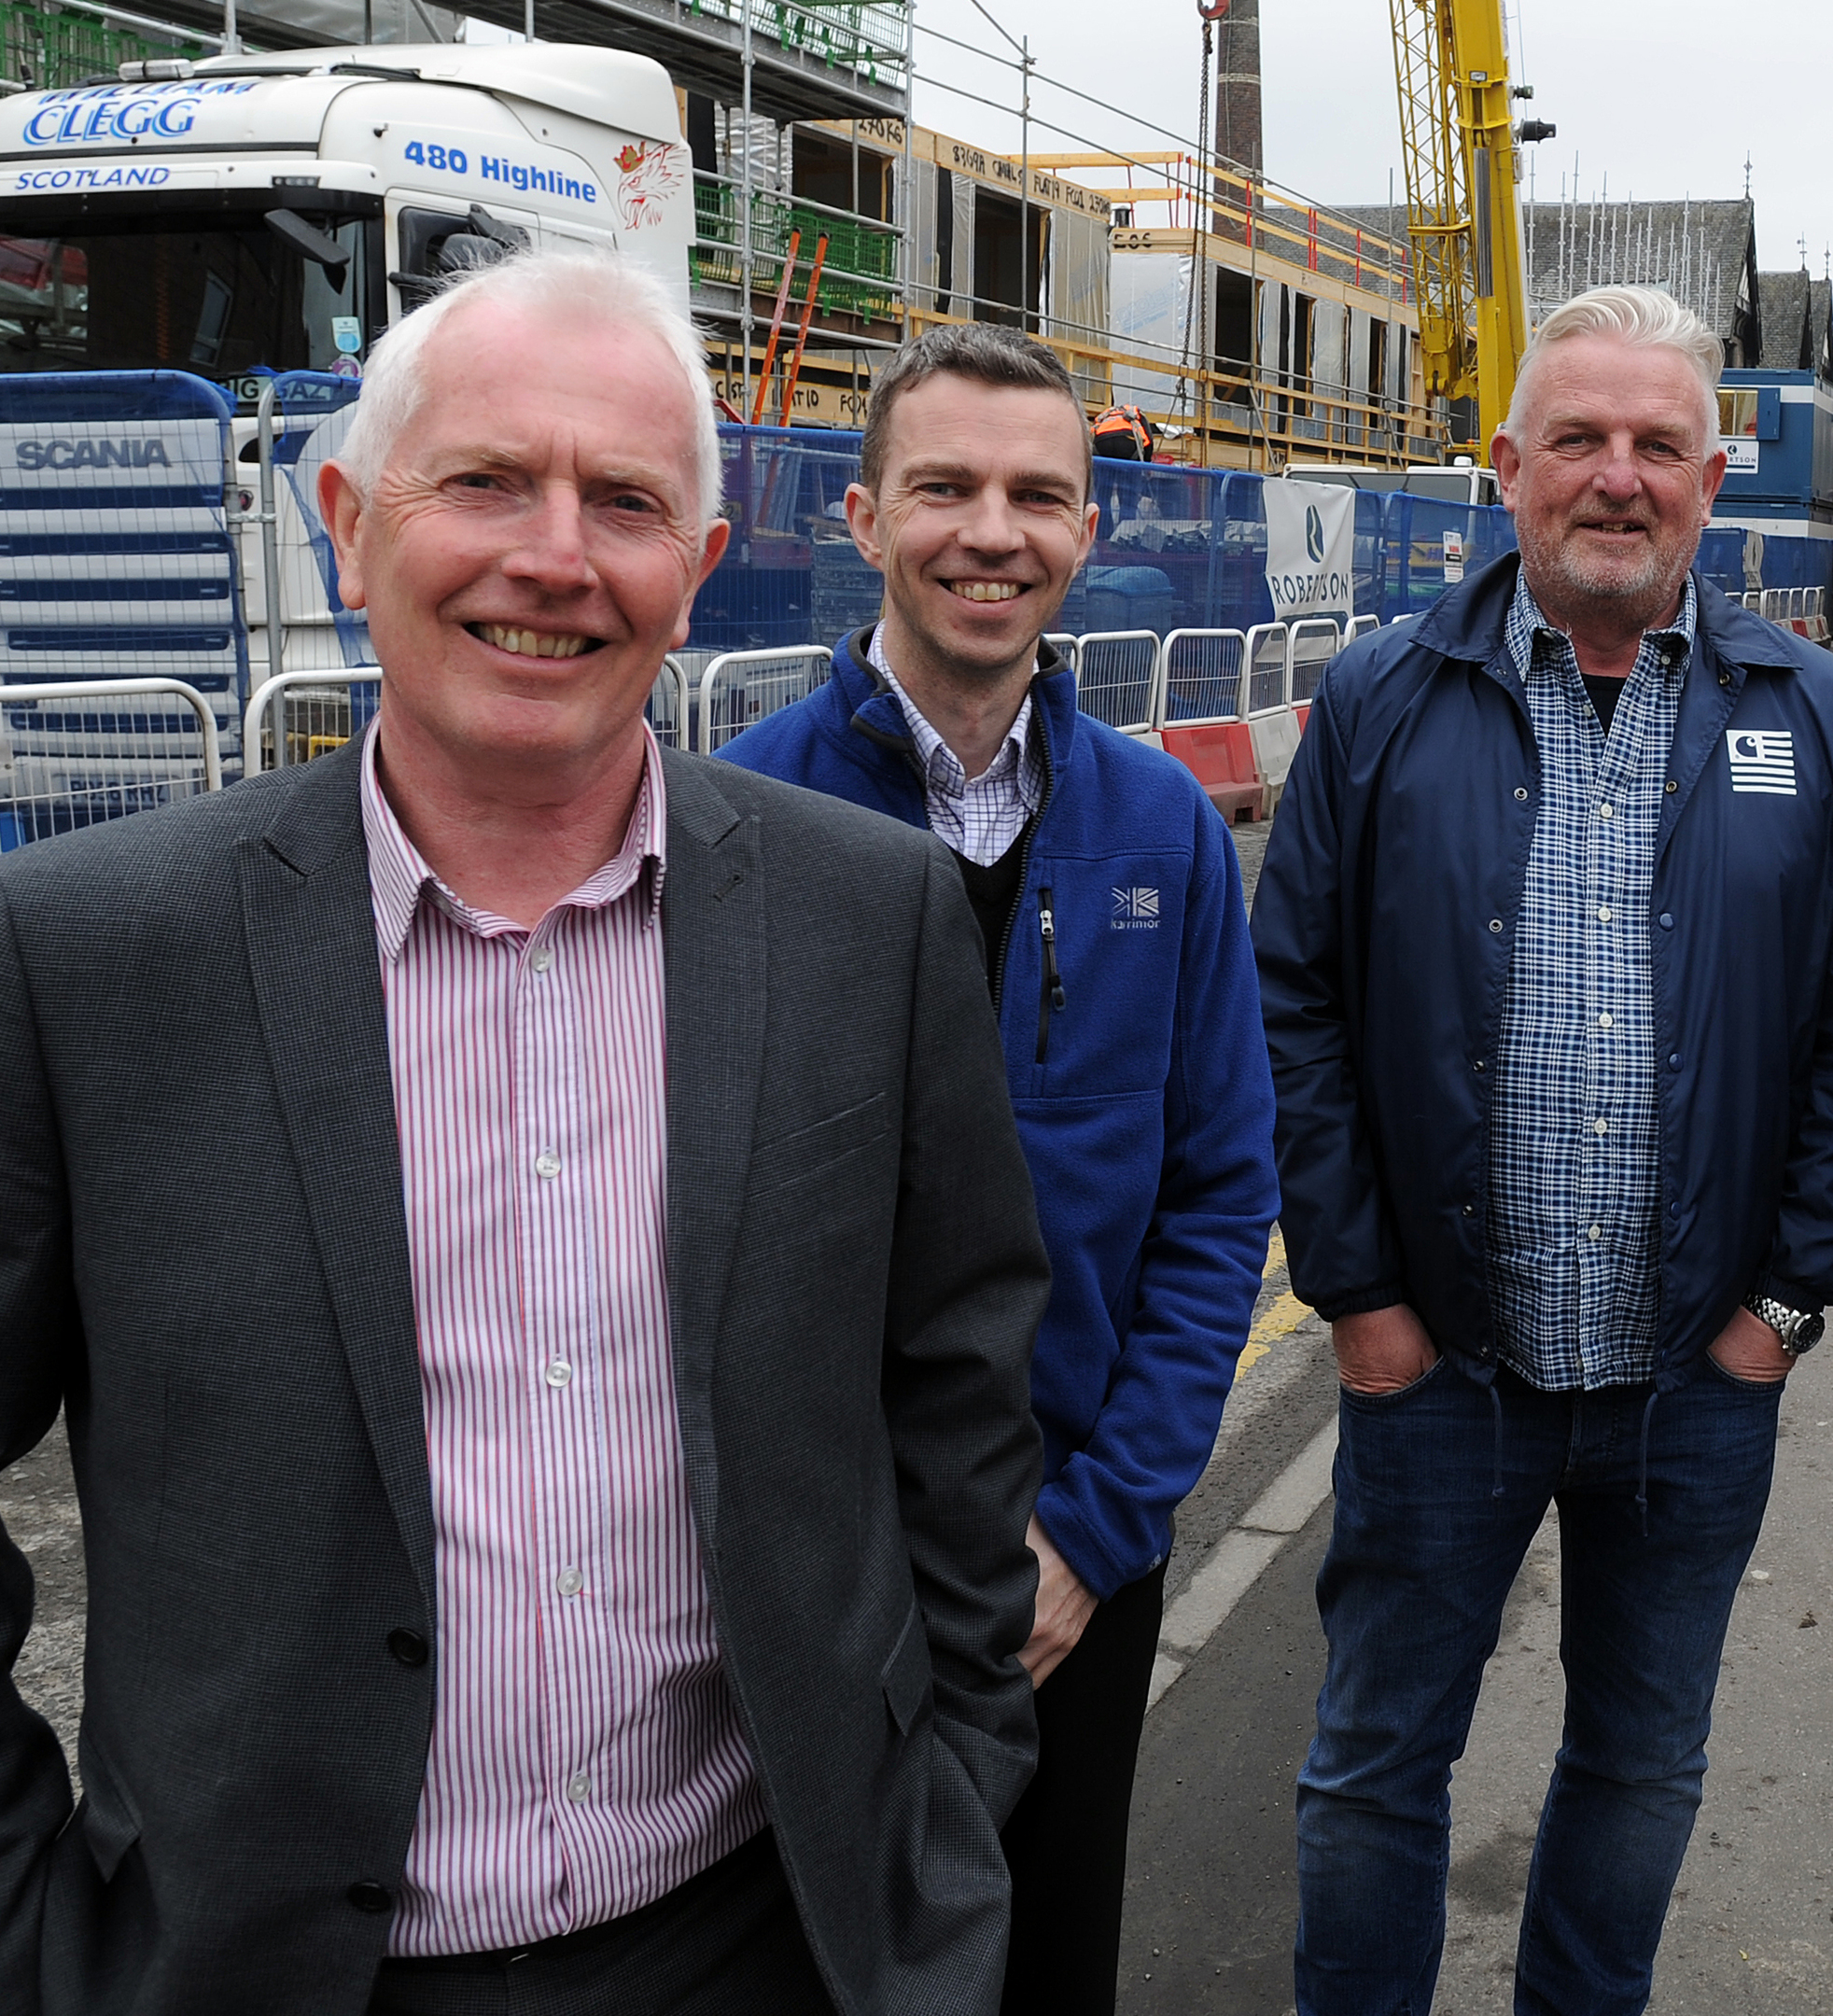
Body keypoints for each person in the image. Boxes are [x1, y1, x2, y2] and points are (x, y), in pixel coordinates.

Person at [0, 246, 1051, 2016]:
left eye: (625, 501)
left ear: (699, 569)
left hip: (784, 1935)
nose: (554, 557)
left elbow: (951, 1376)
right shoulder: (91, 955)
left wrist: (952, 1787)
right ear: (349, 522)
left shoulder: (866, 919)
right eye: (488, 481)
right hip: (272, 1969)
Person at [1251, 284, 1833, 2016]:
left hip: (1693, 1379)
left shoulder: (1814, 712)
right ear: (1505, 468)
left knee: (1639, 1766)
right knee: (1372, 1768)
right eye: (1577, 440)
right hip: (1439, 1369)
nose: (1615, 478)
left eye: (1654, 446)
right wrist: (1359, 1300)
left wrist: (1779, 1309)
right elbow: (1292, 1011)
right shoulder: (1382, 699)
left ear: (1712, 477)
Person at [721, 321, 1277, 2014]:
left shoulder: (1161, 827)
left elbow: (1215, 1201)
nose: (992, 530)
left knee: (1046, 1971)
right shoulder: (739, 817)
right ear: (865, 517)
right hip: (817, 1577)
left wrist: (1097, 1534)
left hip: (1075, 1566)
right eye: (945, 486)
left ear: (1087, 535)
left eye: (1039, 494)